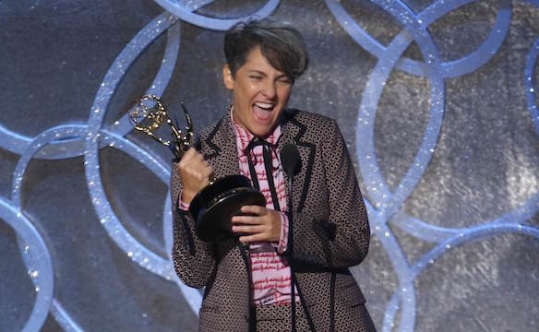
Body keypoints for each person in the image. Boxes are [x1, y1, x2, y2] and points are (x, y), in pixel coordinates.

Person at [171, 18, 375, 332]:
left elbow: (354, 240)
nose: (269, 92)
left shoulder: (321, 137)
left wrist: (286, 229)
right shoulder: (198, 157)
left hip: (327, 320)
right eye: (257, 77)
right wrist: (189, 202)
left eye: (282, 80)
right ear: (229, 76)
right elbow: (193, 273)